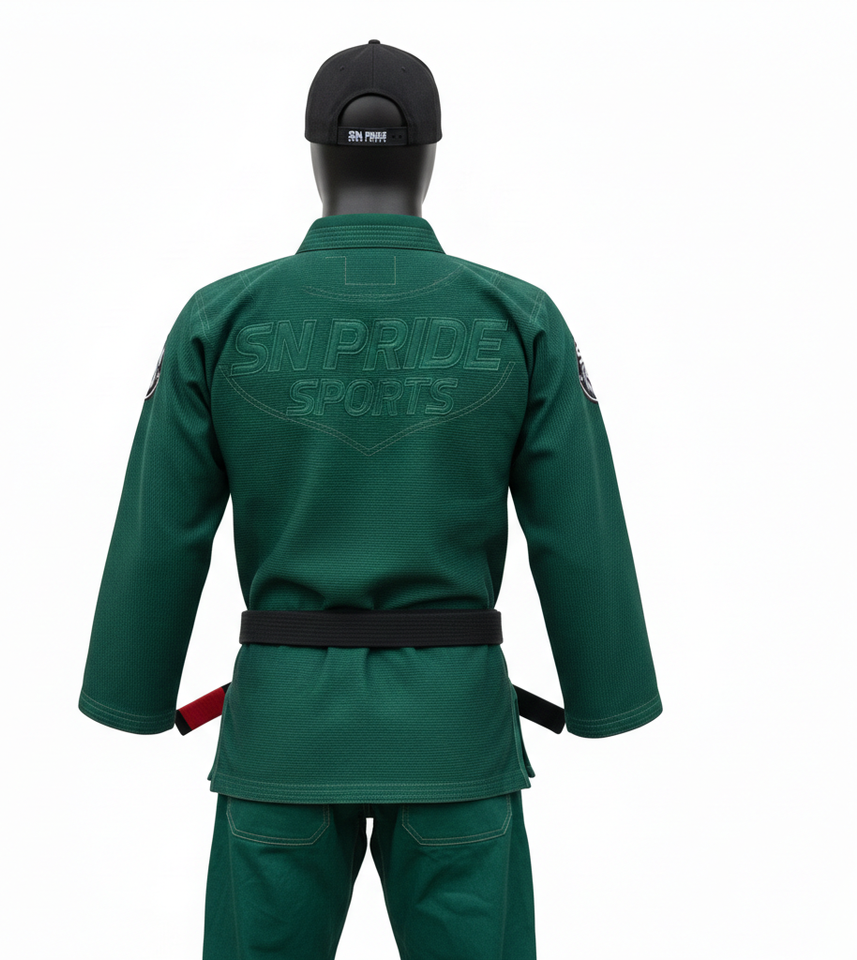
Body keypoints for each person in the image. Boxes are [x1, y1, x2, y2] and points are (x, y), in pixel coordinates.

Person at [79, 40, 662, 960]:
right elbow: (578, 530)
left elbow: (161, 531)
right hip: (453, 738)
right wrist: (607, 693)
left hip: (283, 738)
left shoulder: (222, 319)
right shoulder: (517, 318)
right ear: (429, 156)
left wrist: (132, 689)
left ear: (315, 155)